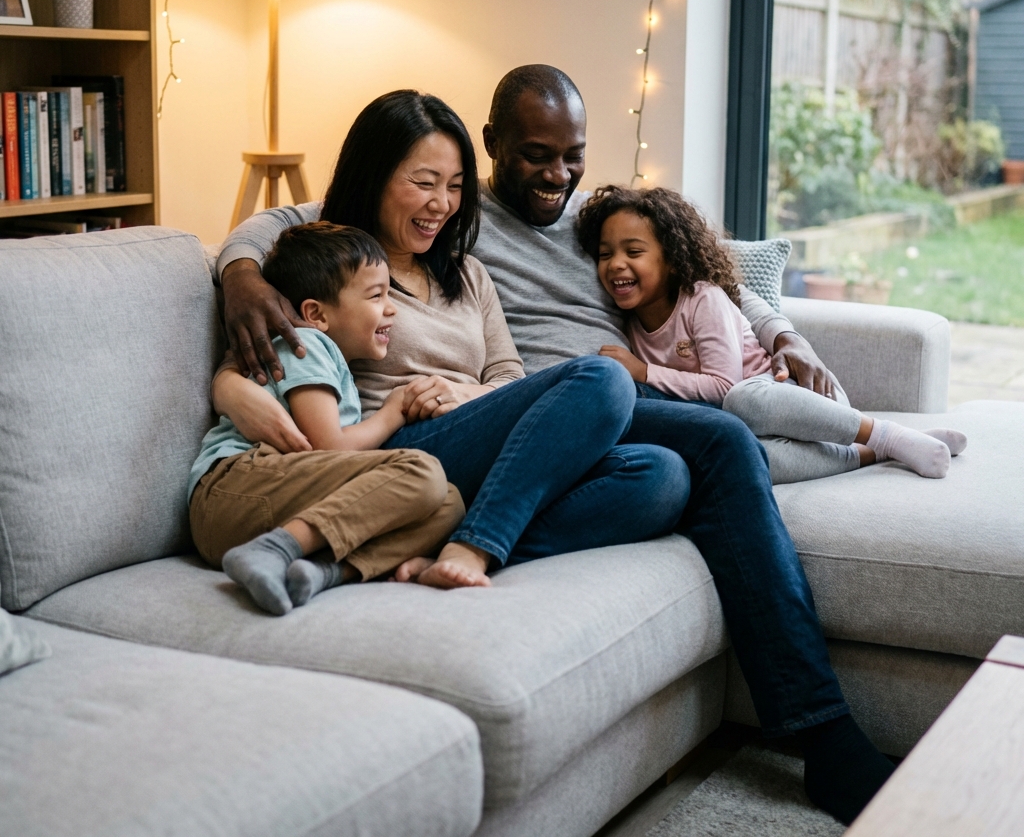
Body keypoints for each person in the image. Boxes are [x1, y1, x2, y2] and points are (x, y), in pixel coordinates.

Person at [216, 72, 892, 825]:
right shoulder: (344, 259)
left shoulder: (479, 253)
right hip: (413, 446)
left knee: (663, 479)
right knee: (693, 428)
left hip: (524, 422)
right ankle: (821, 730)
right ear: (495, 146)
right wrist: (238, 282)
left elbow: (699, 275)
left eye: (570, 156)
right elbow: (266, 234)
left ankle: (428, 545)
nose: (555, 175)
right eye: (424, 183)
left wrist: (783, 333)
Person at [213, 89, 689, 592]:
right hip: (398, 452)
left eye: (456, 186)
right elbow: (268, 340)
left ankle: (445, 542)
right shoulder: (332, 271)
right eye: (424, 183)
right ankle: (475, 546)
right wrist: (229, 373)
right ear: (373, 177)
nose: (442, 204)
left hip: (483, 439)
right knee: (605, 378)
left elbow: (508, 375)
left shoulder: (469, 273)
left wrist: (470, 394)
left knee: (661, 476)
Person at [575, 183, 968, 483]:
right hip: (752, 427)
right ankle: (875, 453)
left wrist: (644, 373)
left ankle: (883, 434)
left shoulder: (703, 298)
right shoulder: (628, 321)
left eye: (634, 252)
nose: (616, 265)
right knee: (742, 457)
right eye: (606, 254)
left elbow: (724, 384)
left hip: (799, 399)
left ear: (673, 260)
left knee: (744, 400)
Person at [190, 222, 464, 616]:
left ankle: (317, 572)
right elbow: (328, 446)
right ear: (315, 314)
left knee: (448, 503)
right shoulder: (308, 346)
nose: (392, 308)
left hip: (262, 507)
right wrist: (392, 412)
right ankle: (275, 549)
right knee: (423, 472)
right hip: (233, 490)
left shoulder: (329, 359)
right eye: (376, 296)